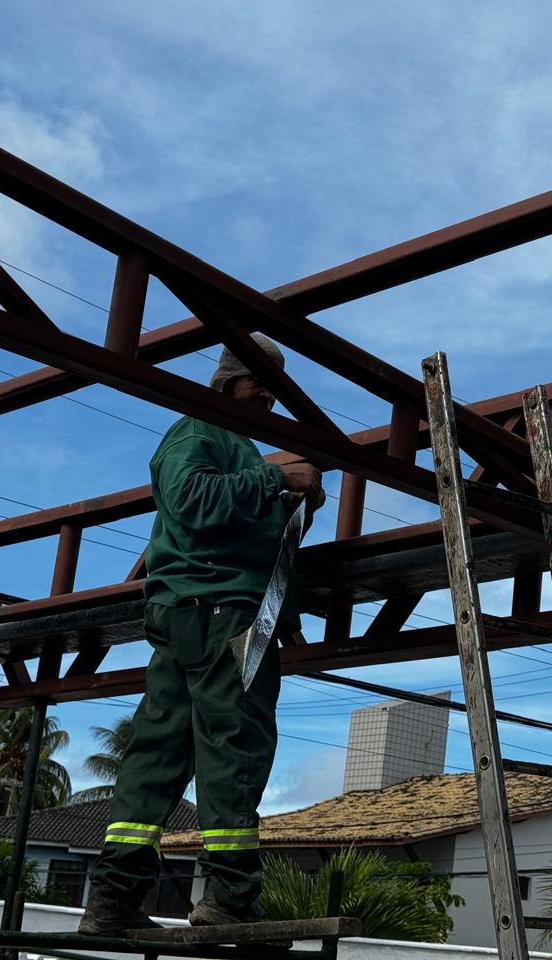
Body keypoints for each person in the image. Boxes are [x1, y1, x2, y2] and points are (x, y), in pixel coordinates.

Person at [79, 333, 324, 933]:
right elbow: (192, 501)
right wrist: (274, 478)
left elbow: (238, 525)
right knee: (232, 743)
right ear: (228, 377)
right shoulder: (200, 433)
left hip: (193, 611)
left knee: (160, 750)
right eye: (259, 380)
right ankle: (229, 899)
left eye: (275, 386)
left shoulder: (229, 444)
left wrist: (299, 502)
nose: (267, 395)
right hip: (222, 613)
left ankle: (112, 902)